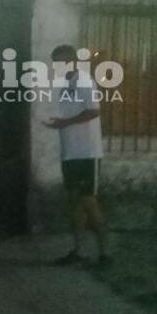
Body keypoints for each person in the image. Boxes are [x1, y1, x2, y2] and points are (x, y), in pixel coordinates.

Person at [43, 44, 111, 267]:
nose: (58, 66)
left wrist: (65, 123)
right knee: (75, 204)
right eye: (56, 62)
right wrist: (60, 124)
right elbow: (72, 114)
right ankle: (79, 251)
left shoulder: (83, 80)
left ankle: (105, 254)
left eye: (61, 61)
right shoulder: (66, 84)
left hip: (86, 153)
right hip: (71, 153)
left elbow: (93, 111)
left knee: (89, 203)